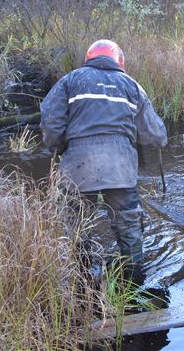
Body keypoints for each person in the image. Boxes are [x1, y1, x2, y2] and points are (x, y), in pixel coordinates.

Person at [40, 39, 167, 283]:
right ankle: (134, 285)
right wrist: (161, 140)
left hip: (77, 167)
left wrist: (58, 147)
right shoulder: (132, 86)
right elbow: (153, 132)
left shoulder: (70, 81)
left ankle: (82, 279)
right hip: (120, 169)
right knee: (129, 227)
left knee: (74, 224)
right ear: (119, 61)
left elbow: (50, 121)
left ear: (89, 57)